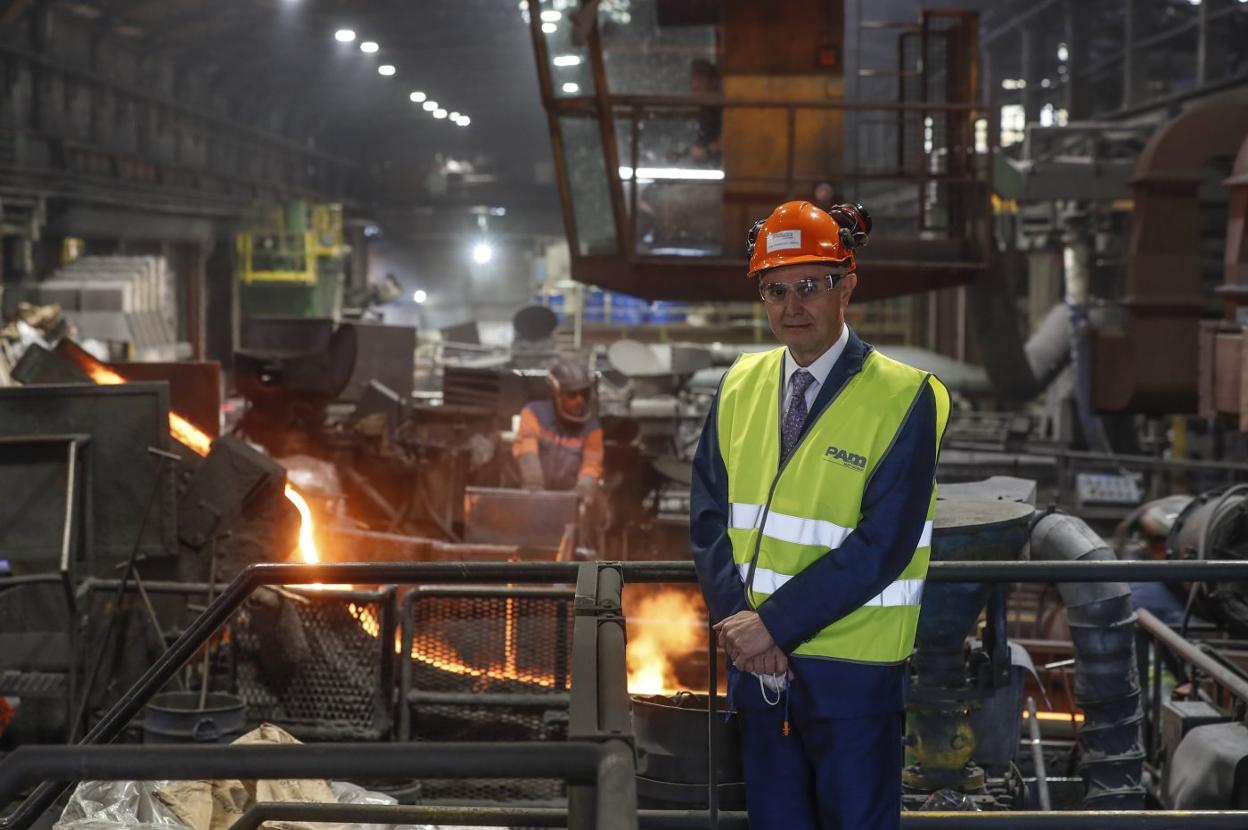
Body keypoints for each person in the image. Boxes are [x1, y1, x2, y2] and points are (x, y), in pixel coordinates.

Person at [690, 200, 950, 830]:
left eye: (810, 285)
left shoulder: (906, 396)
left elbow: (884, 543)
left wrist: (773, 626)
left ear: (847, 286)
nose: (791, 306)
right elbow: (707, 516)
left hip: (852, 677)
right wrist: (740, 626)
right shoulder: (738, 385)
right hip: (758, 673)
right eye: (775, 290)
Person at [513, 357, 604, 503]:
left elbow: (592, 464)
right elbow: (527, 449)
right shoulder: (533, 413)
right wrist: (533, 483)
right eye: (572, 394)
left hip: (570, 498)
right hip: (535, 494)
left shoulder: (592, 428)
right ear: (557, 394)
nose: (579, 401)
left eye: (584, 393)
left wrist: (584, 489)